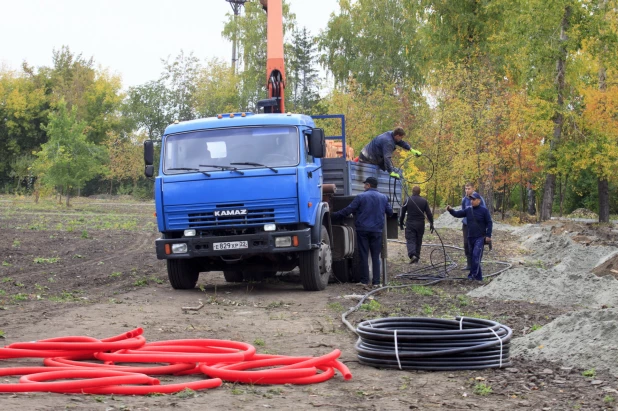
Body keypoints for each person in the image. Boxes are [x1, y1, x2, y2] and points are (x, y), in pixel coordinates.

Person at [332, 177, 393, 288]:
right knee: (375, 256)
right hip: (377, 231)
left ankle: (364, 281)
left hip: (362, 230)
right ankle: (376, 282)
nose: (364, 187)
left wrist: (334, 215)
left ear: (369, 185)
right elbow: (390, 212)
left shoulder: (361, 197)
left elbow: (348, 210)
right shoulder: (383, 197)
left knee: (364, 255)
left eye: (365, 185)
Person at [447, 192, 492, 281]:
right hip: (470, 237)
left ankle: (472, 275)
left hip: (480, 237)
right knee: (472, 257)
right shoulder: (468, 210)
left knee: (476, 255)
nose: (472, 201)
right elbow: (458, 214)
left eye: (474, 199)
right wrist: (450, 210)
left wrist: (488, 235)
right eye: (471, 199)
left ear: (479, 201)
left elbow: (489, 222)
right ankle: (478, 278)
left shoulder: (484, 211)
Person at [399, 186, 434, 264]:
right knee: (419, 240)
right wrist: (432, 224)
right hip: (420, 224)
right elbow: (429, 213)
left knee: (410, 239)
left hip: (410, 224)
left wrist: (401, 223)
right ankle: (417, 258)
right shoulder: (424, 201)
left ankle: (412, 255)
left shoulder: (407, 200)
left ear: (412, 191)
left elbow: (402, 214)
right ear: (419, 192)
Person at [460, 182, 486, 270]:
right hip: (467, 225)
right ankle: (469, 264)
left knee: (477, 244)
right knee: (467, 244)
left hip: (477, 226)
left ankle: (477, 264)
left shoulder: (479, 199)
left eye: (469, 189)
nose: (467, 190)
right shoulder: (464, 200)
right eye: (466, 189)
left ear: (473, 189)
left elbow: (484, 212)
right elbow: (463, 212)